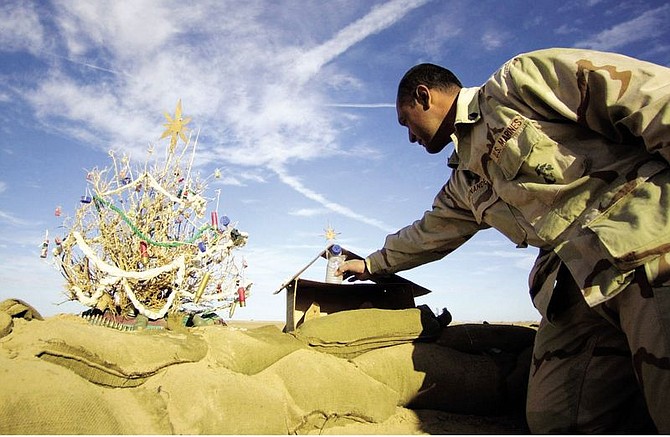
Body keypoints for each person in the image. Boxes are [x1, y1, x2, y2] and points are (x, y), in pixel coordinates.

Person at [336, 48, 670, 434]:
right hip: (573, 286)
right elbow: (428, 233)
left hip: (645, 248)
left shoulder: (516, 84)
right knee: (555, 418)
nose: (409, 137)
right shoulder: (465, 182)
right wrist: (372, 265)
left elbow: (647, 96)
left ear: (423, 97)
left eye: (405, 123)